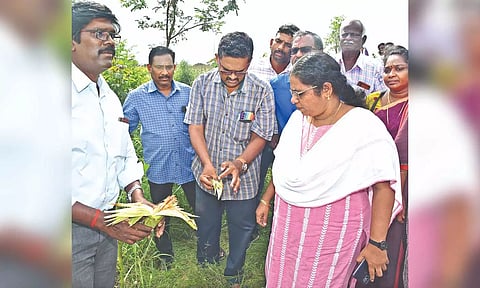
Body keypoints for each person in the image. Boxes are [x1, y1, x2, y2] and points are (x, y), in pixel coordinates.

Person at [256, 52, 402, 287]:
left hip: (332, 234)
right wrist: (266, 200)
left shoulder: (363, 126)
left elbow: (384, 185)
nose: (293, 100)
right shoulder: (297, 121)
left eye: (299, 93)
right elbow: (284, 167)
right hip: (287, 229)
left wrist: (377, 243)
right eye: (292, 92)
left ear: (326, 89)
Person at [72, 2, 163, 287]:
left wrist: (138, 198)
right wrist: (101, 220)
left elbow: (122, 154)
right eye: (99, 34)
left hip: (107, 223)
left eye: (112, 35)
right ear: (70, 40)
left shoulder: (108, 96)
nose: (109, 41)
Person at [184, 31, 275, 287]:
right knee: (207, 222)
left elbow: (262, 135)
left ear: (250, 62)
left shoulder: (261, 90)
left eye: (240, 71)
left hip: (243, 179)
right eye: (226, 70)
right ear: (217, 59)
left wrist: (239, 163)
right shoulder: (201, 84)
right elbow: (195, 126)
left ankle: (234, 270)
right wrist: (206, 163)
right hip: (206, 172)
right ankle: (207, 259)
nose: (233, 77)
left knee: (242, 226)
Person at [123, 45, 196, 269]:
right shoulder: (136, 98)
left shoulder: (188, 92)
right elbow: (123, 134)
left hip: (189, 164)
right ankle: (165, 255)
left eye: (169, 67)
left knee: (200, 208)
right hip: (159, 166)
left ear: (174, 67)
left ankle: (208, 246)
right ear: (149, 68)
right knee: (158, 213)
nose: (164, 73)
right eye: (159, 68)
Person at [248, 23, 299, 241]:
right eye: (279, 42)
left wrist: (282, 138)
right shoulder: (254, 69)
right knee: (255, 182)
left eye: (289, 45)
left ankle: (280, 226)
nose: (282, 48)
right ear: (271, 43)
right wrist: (262, 131)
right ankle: (250, 226)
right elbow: (246, 109)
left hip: (290, 142)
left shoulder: (298, 72)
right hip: (260, 139)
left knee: (287, 182)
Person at [364, 45, 409, 288]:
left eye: (399, 69)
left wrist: (397, 199)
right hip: (368, 180)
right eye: (387, 69)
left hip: (400, 182)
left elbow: (404, 156)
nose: (391, 74)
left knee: (390, 240)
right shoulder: (373, 100)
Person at [336, 19, 387, 97]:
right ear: (339, 38)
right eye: (344, 34)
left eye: (354, 35)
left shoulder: (376, 67)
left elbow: (381, 100)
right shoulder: (328, 63)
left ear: (363, 40)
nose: (348, 38)